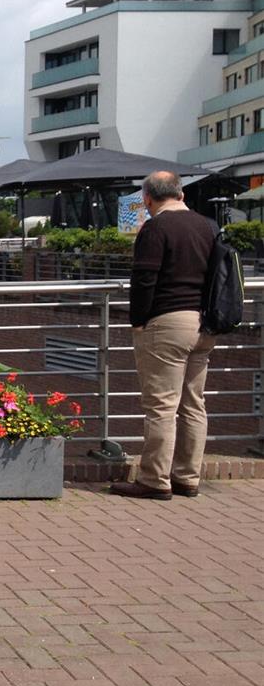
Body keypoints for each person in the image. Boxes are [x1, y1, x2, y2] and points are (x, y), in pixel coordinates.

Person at [112, 171, 217, 500]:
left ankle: (155, 480)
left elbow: (144, 280)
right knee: (193, 404)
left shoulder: (155, 228)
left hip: (168, 322)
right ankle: (187, 477)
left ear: (147, 199)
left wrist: (138, 322)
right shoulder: (207, 226)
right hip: (205, 323)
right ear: (181, 194)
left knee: (161, 406)